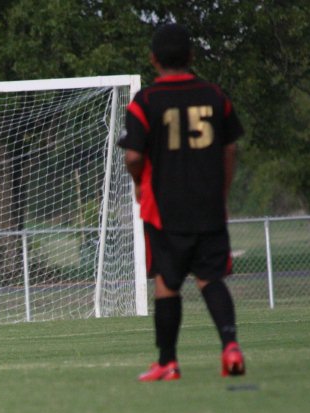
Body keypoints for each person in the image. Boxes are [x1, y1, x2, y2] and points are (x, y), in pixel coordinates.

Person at [118, 23, 246, 381]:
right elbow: (230, 148)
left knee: (167, 282)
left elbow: (132, 156)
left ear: (153, 59)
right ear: (191, 56)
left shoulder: (146, 102)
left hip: (165, 208)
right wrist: (221, 191)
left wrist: (139, 185)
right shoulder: (215, 96)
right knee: (210, 277)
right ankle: (230, 346)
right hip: (208, 205)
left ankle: (168, 362)